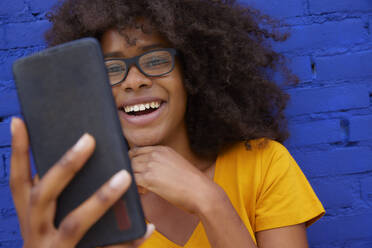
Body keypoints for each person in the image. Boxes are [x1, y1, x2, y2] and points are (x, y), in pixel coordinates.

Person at [9, 0, 325, 247]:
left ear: (191, 72)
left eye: (156, 59)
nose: (133, 81)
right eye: (110, 68)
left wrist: (210, 203)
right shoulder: (90, 206)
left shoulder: (264, 165)